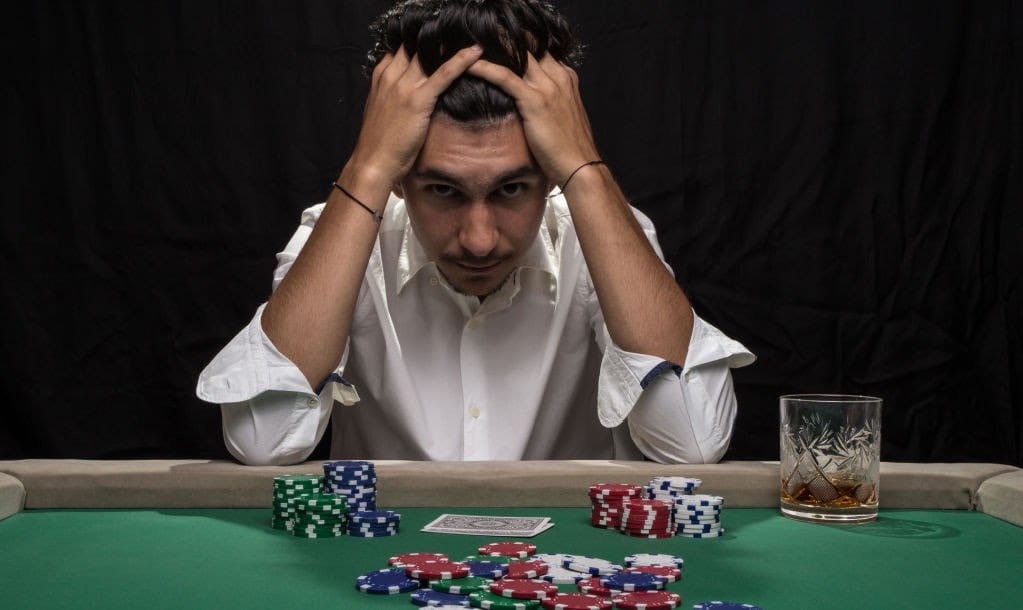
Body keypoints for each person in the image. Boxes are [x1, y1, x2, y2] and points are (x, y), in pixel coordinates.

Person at [196, 0, 754, 465]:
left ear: (551, 178)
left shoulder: (602, 231)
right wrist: (365, 169)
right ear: (398, 180)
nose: (480, 239)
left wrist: (585, 169)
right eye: (443, 191)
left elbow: (693, 444)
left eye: (512, 189)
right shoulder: (339, 234)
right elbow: (263, 444)